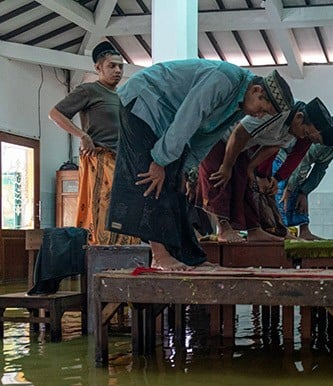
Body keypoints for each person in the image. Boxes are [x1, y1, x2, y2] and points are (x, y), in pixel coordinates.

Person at [106, 62, 293, 270]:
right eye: (262, 109)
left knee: (176, 183)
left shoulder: (240, 103)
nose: (259, 115)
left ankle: (190, 257)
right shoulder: (224, 79)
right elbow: (189, 116)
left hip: (167, 117)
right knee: (150, 178)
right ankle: (159, 255)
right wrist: (160, 161)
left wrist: (185, 168)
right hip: (143, 100)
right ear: (256, 91)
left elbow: (206, 136)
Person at [197, 98, 333, 242]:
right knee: (220, 178)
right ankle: (223, 228)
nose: (305, 137)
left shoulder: (293, 130)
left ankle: (254, 231)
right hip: (219, 135)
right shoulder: (276, 114)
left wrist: (256, 171)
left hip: (243, 146)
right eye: (307, 133)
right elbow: (238, 134)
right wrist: (229, 167)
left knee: (245, 185)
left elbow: (272, 148)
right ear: (299, 118)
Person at [48, 42, 138, 245]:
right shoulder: (89, 91)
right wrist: (82, 135)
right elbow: (55, 113)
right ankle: (102, 261)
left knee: (125, 213)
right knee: (102, 213)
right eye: (112, 66)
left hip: (123, 161)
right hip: (100, 160)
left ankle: (125, 261)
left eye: (120, 67)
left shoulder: (122, 96)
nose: (117, 71)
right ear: (98, 67)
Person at [276, 130, 333, 239]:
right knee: (281, 192)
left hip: (298, 164)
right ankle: (281, 230)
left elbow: (319, 171)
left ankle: (304, 231)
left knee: (301, 192)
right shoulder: (328, 137)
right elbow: (302, 161)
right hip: (283, 158)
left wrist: (304, 192)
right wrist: (290, 189)